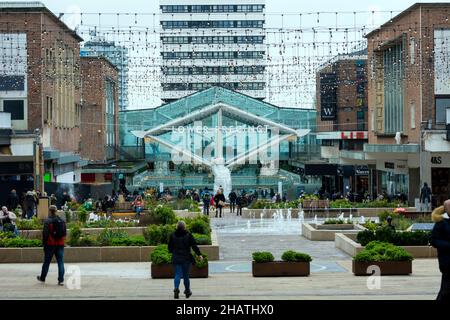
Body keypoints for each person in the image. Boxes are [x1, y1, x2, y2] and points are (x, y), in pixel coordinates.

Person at [168, 221, 203, 299]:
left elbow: (169, 248)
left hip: (176, 257)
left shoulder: (172, 235)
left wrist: (174, 251)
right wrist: (199, 255)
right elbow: (194, 246)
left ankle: (176, 288)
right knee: (186, 276)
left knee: (177, 274)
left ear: (176, 227)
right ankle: (187, 291)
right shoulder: (188, 235)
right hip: (186, 258)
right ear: (184, 227)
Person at [37, 205, 67, 286]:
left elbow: (45, 234)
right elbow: (65, 233)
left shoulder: (47, 221)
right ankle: (61, 280)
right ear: (56, 211)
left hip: (50, 244)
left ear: (49, 211)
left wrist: (44, 243)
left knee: (46, 262)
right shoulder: (62, 220)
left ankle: (43, 278)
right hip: (60, 244)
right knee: (60, 262)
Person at [431, 200, 450, 301]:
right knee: (446, 289)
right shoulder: (441, 223)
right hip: (447, 262)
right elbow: (434, 240)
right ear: (446, 209)